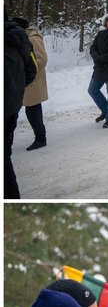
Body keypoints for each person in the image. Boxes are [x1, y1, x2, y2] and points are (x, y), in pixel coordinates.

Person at [5, 16, 36, 198]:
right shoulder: (20, 38)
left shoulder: (24, 37)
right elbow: (31, 70)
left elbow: (36, 65)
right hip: (11, 106)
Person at [15, 17, 48, 150]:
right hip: (22, 80)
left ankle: (41, 138)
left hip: (33, 82)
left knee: (32, 111)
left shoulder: (33, 38)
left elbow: (42, 60)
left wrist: (26, 69)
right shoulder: (21, 38)